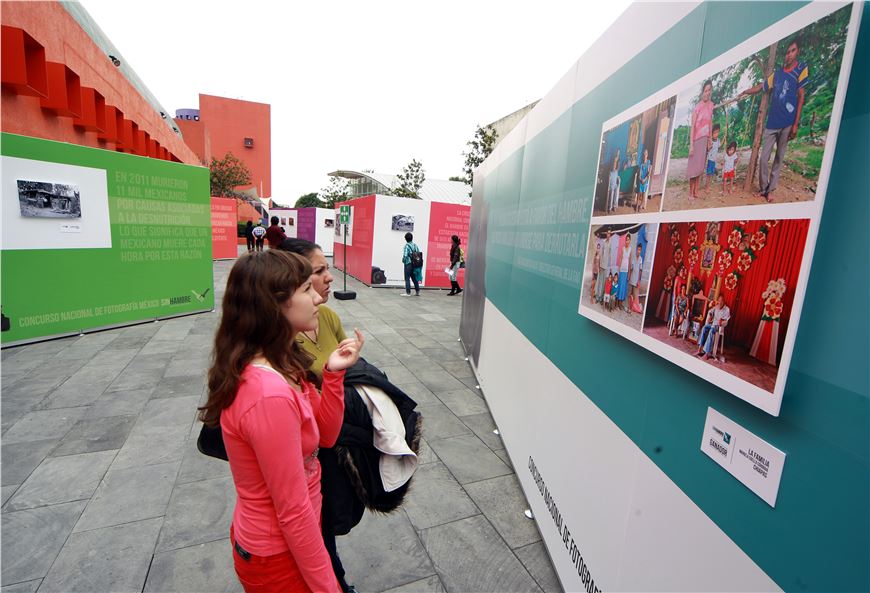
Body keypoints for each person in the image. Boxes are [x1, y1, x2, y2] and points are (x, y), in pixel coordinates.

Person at [198, 250, 364, 593]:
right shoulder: (268, 394)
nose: (318, 296)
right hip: (278, 554)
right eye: (306, 288)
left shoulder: (284, 363)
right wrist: (328, 587)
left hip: (292, 543)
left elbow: (327, 437)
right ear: (275, 305)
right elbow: (291, 510)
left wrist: (332, 375)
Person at [740, 38, 808, 202]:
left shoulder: (801, 69)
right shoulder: (776, 75)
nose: (789, 54)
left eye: (793, 50)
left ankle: (771, 190)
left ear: (797, 52)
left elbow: (801, 96)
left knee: (779, 157)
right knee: (764, 158)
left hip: (787, 122)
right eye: (787, 51)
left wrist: (795, 124)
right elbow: (760, 87)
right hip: (772, 123)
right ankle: (763, 189)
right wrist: (745, 92)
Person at [687, 80, 714, 201]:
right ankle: (690, 192)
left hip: (705, 140)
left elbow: (710, 122)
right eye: (705, 90)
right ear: (702, 92)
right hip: (696, 139)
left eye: (709, 90)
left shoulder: (711, 105)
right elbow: (692, 126)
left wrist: (710, 139)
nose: (707, 93)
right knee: (693, 168)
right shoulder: (697, 107)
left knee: (700, 167)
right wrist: (691, 144)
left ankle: (696, 191)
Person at [696, 293, 730, 360]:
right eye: (719, 300)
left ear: (724, 301)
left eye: (722, 300)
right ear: (718, 301)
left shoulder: (727, 309)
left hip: (718, 326)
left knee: (711, 331)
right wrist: (710, 316)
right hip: (712, 324)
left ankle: (707, 353)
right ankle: (699, 349)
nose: (720, 302)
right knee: (704, 327)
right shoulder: (716, 307)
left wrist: (722, 321)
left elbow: (727, 320)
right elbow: (710, 312)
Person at [401, 232, 421, 297]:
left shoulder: (406, 246)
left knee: (407, 278)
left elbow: (405, 255)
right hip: (415, 264)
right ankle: (417, 291)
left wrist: (403, 261)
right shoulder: (415, 245)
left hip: (408, 264)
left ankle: (408, 292)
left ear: (406, 239)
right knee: (414, 278)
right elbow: (418, 254)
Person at [595, 230, 611, 303]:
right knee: (600, 281)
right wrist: (599, 263)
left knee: (604, 282)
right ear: (606, 234)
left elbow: (610, 255)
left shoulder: (610, 244)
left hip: (606, 266)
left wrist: (609, 266)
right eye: (607, 233)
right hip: (601, 265)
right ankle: (597, 297)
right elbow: (601, 253)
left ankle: (601, 297)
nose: (608, 235)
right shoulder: (604, 243)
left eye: (609, 233)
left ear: (610, 235)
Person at [704, 124, 721, 191]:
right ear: (712, 133)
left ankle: (708, 186)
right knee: (708, 174)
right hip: (710, 160)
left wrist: (724, 139)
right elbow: (707, 149)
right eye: (715, 133)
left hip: (714, 160)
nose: (716, 134)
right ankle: (707, 187)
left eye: (717, 132)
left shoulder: (718, 140)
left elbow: (719, 146)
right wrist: (709, 147)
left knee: (711, 174)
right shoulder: (710, 140)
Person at [617, 234, 631, 312]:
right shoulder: (623, 248)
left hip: (626, 271)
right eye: (626, 239)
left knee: (624, 287)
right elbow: (621, 259)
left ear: (630, 241)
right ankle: (618, 302)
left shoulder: (630, 249)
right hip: (621, 270)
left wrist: (629, 273)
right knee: (620, 285)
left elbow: (629, 262)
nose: (627, 241)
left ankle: (621, 303)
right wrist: (619, 269)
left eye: (628, 240)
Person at [628, 243, 643, 313]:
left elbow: (640, 270)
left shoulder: (640, 259)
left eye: (640, 250)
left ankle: (631, 309)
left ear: (641, 251)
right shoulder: (634, 258)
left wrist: (638, 281)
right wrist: (629, 277)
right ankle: (628, 307)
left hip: (636, 281)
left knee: (634, 296)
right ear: (636, 250)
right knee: (629, 294)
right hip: (631, 279)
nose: (638, 251)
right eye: (638, 249)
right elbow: (631, 268)